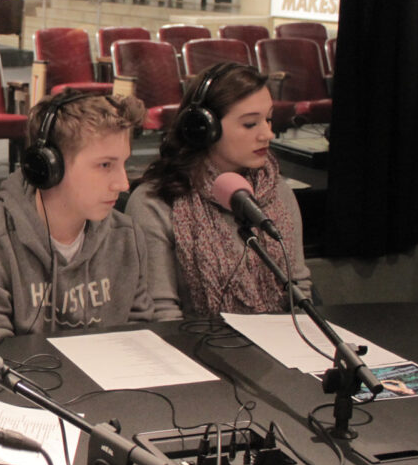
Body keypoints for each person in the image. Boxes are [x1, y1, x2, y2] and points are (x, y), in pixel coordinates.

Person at [0, 92, 153, 344]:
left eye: (124, 163)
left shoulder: (127, 236)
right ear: (48, 167)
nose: (123, 184)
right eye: (105, 165)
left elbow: (139, 340)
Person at [126, 62, 313, 321]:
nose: (267, 134)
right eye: (250, 124)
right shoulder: (155, 202)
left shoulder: (278, 192)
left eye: (268, 119)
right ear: (204, 127)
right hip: (194, 349)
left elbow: (299, 290)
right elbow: (162, 315)